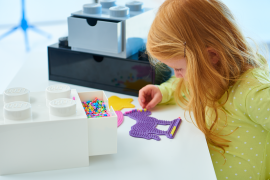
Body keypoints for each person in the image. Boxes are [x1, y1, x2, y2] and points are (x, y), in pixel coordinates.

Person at [138, 0, 270, 179]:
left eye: (179, 69)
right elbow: (185, 85)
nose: (177, 76)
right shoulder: (209, 76)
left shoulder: (253, 92)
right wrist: (164, 91)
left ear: (212, 55)